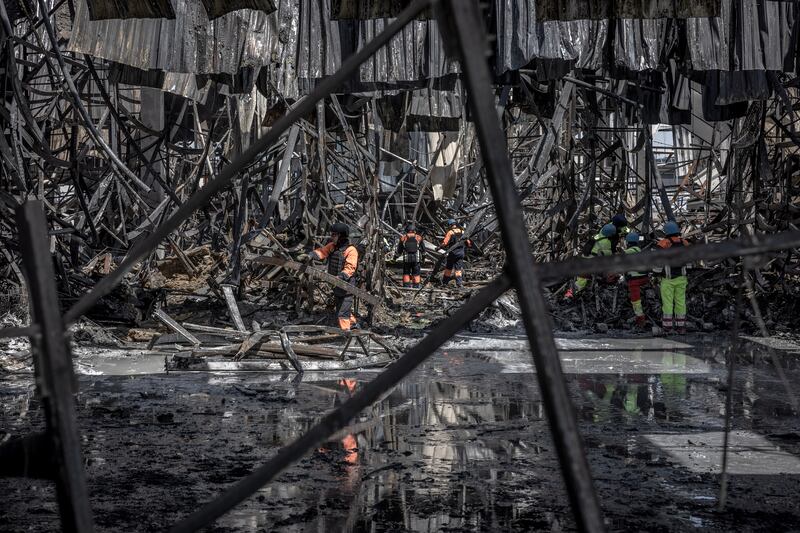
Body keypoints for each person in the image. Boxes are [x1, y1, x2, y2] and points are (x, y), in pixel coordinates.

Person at [302, 223, 359, 331]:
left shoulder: (351, 250)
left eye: (334, 235)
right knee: (342, 309)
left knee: (342, 313)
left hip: (346, 285)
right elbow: (322, 252)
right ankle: (354, 327)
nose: (331, 236)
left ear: (341, 236)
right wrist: (310, 255)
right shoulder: (332, 247)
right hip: (336, 285)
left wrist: (341, 277)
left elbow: (350, 268)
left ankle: (346, 334)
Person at [655, 221, 690, 334]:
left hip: (668, 279)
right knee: (681, 302)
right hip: (682, 278)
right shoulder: (685, 243)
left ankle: (668, 327)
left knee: (668, 303)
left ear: (666, 231)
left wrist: (655, 273)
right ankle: (681, 327)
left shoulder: (663, 244)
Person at [564, 223, 616, 299]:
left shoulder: (596, 236)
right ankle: (568, 296)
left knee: (581, 279)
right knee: (580, 283)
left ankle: (571, 293)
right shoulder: (606, 242)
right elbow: (607, 255)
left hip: (582, 260)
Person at [624, 232, 648, 329]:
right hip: (644, 278)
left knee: (636, 301)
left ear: (628, 242)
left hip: (635, 281)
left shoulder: (631, 251)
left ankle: (640, 319)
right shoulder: (640, 251)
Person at [440, 218, 472, 287]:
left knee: (448, 268)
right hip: (461, 253)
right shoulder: (462, 231)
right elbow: (468, 243)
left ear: (449, 225)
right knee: (458, 269)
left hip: (453, 253)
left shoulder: (450, 232)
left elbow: (445, 243)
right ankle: (459, 283)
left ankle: (445, 283)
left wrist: (439, 247)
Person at [397, 222, 424, 288]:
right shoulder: (419, 238)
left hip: (406, 259)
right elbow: (423, 249)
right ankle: (416, 286)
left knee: (406, 273)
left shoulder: (403, 238)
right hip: (416, 259)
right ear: (415, 230)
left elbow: (399, 250)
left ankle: (406, 286)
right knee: (416, 273)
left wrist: (395, 257)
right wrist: (423, 259)